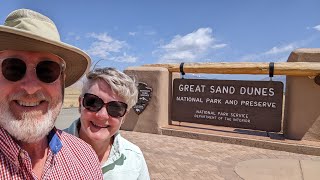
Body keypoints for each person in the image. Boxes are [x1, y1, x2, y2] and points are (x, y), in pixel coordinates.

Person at [0, 9, 103, 179]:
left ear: (61, 81)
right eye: (13, 68)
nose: (31, 88)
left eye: (47, 71)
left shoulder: (86, 158)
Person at [64, 67, 150, 179]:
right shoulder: (47, 150)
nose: (102, 115)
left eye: (115, 108)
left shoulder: (134, 157)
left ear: (124, 116)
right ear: (80, 104)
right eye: (93, 102)